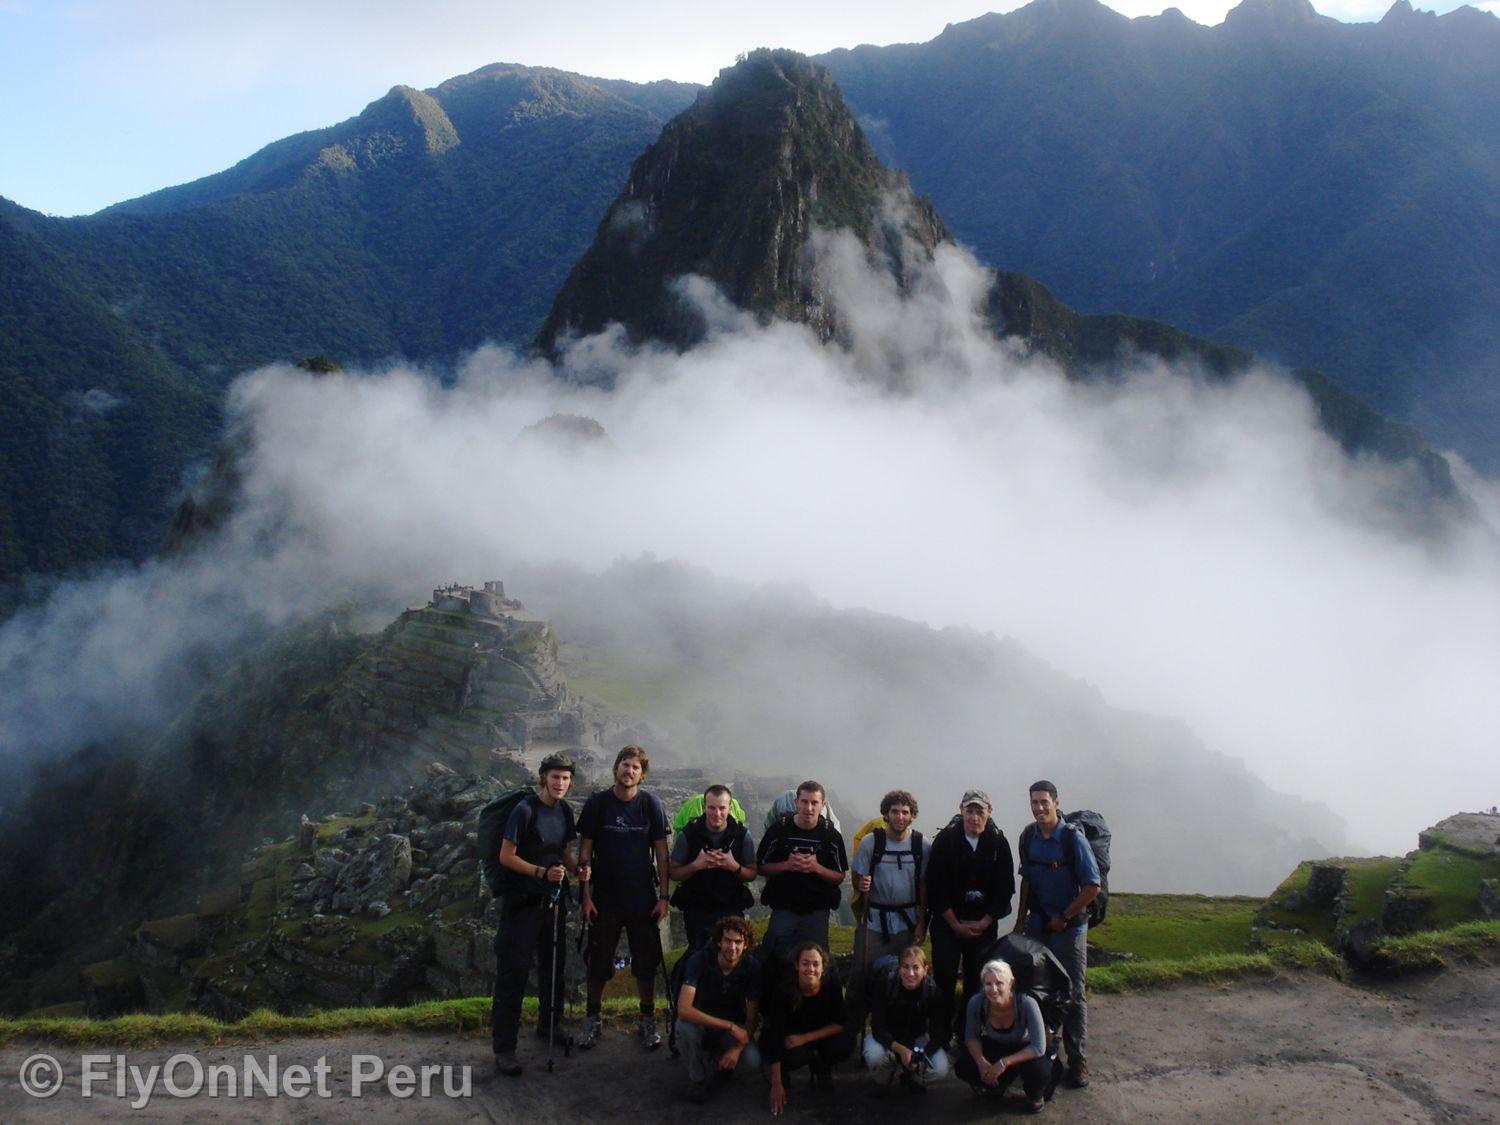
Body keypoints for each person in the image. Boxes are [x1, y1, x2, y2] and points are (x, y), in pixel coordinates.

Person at [576, 745, 672, 1051]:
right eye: (624, 764)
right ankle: (593, 1018)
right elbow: (585, 850)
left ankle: (647, 1020)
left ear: (642, 775)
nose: (629, 771)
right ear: (616, 768)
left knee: (646, 963)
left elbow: (661, 852)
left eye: (635, 767)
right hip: (604, 897)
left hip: (642, 898)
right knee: (599, 961)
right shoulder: (598, 803)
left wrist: (664, 896)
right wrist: (586, 897)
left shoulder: (650, 805)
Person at [489, 753, 579, 1077]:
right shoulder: (524, 810)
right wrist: (541, 872)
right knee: (514, 972)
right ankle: (505, 1048)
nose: (560, 783)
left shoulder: (565, 811)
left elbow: (565, 850)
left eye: (566, 778)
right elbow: (506, 856)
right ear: (543, 777)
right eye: (555, 777)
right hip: (523, 903)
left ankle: (548, 1026)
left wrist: (576, 868)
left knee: (553, 968)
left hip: (553, 903)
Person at [1014, 779, 1100, 1088]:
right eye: (1034, 802)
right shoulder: (1028, 837)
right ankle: (1043, 1053)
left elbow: (1092, 885)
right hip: (1038, 925)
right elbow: (1026, 879)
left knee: (1073, 992)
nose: (1039, 808)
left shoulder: (1072, 839)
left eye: (1044, 802)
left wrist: (1066, 915)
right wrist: (1020, 919)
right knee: (1036, 990)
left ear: (1056, 803)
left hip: (1069, 929)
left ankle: (1077, 1059)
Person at [924, 788, 1015, 1046]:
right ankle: (939, 1036)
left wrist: (985, 921)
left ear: (989, 812)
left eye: (980, 811)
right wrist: (954, 923)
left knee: (977, 981)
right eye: (970, 810)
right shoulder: (946, 840)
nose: (975, 816)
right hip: (947, 923)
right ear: (961, 810)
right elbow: (935, 886)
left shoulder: (998, 842)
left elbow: (1005, 887)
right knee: (944, 979)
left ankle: (967, 1035)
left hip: (982, 925)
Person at [848, 789, 927, 1034]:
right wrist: (860, 885)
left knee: (907, 977)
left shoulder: (921, 845)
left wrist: (922, 922)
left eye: (905, 812)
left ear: (912, 815)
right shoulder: (872, 842)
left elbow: (924, 886)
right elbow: (857, 875)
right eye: (895, 812)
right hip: (874, 919)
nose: (900, 817)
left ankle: (899, 1031)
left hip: (907, 921)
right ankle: (851, 1030)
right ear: (885, 814)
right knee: (860, 976)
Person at [756, 780, 849, 967]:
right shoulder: (779, 830)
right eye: (805, 802)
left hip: (817, 911)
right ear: (796, 802)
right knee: (773, 958)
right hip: (783, 907)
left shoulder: (831, 836)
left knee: (817, 962)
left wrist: (816, 868)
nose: (809, 807)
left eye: (814, 803)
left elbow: (840, 876)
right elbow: (761, 867)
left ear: (823, 805)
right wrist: (787, 865)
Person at [674, 915, 764, 1103]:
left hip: (731, 1030)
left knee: (752, 1060)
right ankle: (697, 1078)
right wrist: (730, 1026)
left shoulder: (752, 967)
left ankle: (721, 1063)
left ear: (746, 945)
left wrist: (737, 1049)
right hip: (702, 1024)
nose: (733, 948)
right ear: (718, 942)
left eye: (738, 942)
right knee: (685, 1027)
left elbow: (752, 1017)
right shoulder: (700, 960)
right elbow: (684, 1009)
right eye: (728, 941)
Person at [761, 942, 851, 1115]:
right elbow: (775, 1033)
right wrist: (776, 1082)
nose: (810, 969)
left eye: (816, 964)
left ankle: (821, 1067)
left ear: (823, 967)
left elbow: (840, 1023)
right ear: (796, 966)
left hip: (814, 1035)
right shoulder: (784, 990)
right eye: (805, 963)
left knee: (844, 1044)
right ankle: (782, 1071)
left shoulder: (831, 984)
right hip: (790, 1038)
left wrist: (806, 1038)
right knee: (795, 1055)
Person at [668, 783, 758, 952]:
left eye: (722, 808)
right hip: (697, 907)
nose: (717, 813)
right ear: (704, 807)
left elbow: (752, 873)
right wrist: (696, 865)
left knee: (732, 954)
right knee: (699, 952)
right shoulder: (689, 834)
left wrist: (734, 866)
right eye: (712, 808)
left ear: (730, 807)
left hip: (731, 906)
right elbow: (674, 872)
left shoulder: (742, 835)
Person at [954, 959, 1052, 1113]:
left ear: (1010, 983)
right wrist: (981, 1062)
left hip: (1025, 1047)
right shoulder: (977, 1002)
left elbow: (1039, 1047)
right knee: (964, 1065)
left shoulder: (1027, 1003)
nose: (993, 989)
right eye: (988, 984)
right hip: (997, 1044)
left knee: (1039, 1072)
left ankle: (1035, 1095)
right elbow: (971, 1037)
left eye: (999, 983)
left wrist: (1004, 1063)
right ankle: (996, 1086)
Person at [862, 946, 951, 1093]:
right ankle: (884, 1076)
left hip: (917, 1038)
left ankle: (910, 1074)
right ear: (899, 968)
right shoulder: (885, 985)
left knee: (940, 1069)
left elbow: (938, 1033)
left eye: (916, 968)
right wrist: (901, 1050)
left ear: (925, 970)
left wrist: (919, 1058)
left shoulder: (933, 991)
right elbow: (877, 1027)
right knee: (874, 1055)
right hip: (887, 1037)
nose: (910, 973)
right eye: (905, 967)